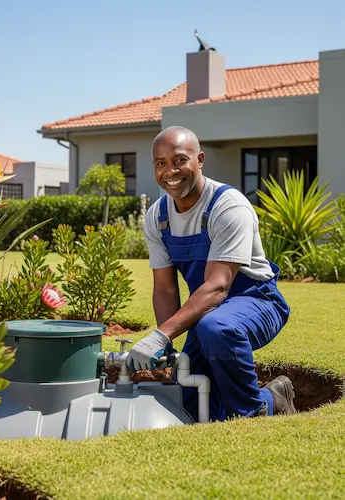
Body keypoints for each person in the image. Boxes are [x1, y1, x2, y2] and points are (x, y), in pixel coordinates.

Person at [126, 125, 296, 422]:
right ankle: (273, 396)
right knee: (188, 404)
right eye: (161, 163)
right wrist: (165, 346)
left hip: (256, 300)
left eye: (180, 160)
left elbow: (218, 286)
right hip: (207, 311)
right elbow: (165, 289)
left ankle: (252, 412)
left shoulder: (228, 206)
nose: (171, 171)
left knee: (216, 330)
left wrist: (160, 333)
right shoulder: (158, 216)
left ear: (200, 159)